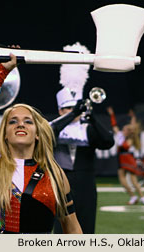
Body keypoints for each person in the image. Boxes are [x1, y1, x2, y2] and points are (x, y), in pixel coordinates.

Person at [0, 54, 82, 234]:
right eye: (13, 121)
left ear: (37, 134)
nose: (20, 124)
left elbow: (72, 227)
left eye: (28, 121)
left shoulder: (55, 173)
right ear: (4, 134)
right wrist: (3, 70)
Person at [50, 87, 114, 234]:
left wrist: (93, 117)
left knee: (87, 226)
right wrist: (74, 113)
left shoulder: (88, 128)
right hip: (61, 182)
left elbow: (108, 142)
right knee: (61, 228)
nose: (73, 110)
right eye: (67, 108)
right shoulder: (53, 126)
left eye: (75, 107)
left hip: (86, 183)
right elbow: (48, 133)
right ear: (60, 111)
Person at [107, 106, 144, 205]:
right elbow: (114, 125)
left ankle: (143, 198)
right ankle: (134, 197)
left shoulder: (130, 138)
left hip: (128, 158)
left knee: (133, 180)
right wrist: (111, 115)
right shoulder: (121, 135)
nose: (123, 130)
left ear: (128, 131)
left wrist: (133, 118)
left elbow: (132, 128)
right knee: (122, 180)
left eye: (125, 129)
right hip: (121, 158)